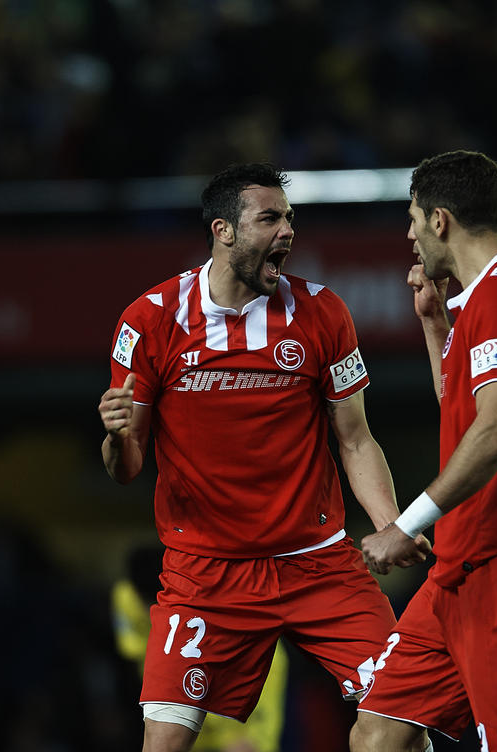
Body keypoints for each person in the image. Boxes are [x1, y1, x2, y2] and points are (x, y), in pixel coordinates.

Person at [97, 162, 431, 752]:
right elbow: (126, 467)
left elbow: (355, 438)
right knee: (163, 743)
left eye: (290, 218)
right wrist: (117, 436)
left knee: (403, 717)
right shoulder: (151, 320)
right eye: (270, 218)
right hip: (207, 573)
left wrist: (390, 526)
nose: (287, 232)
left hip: (319, 563)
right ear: (223, 231)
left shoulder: (324, 313)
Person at [350, 151, 497, 752]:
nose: (410, 234)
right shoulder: (484, 301)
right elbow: (464, 410)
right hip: (457, 571)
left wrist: (405, 525)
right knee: (376, 735)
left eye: (413, 219)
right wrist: (432, 326)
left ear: (440, 220)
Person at [111, 544, 289, 752]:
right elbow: (136, 652)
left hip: (237, 693)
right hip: (176, 703)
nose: (145, 610)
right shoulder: (126, 597)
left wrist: (240, 737)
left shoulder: (222, 615)